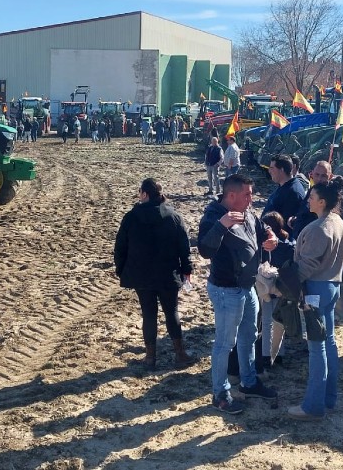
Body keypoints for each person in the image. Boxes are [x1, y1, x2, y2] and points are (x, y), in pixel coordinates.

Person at [198, 173, 279, 414]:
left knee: (249, 335)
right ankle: (220, 393)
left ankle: (249, 382)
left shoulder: (248, 212)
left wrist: (271, 237)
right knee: (225, 343)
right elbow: (204, 249)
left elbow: (261, 227)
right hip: (226, 290)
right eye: (247, 194)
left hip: (247, 286)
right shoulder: (213, 215)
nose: (251, 199)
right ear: (231, 195)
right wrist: (221, 226)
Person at [114, 178, 197, 370]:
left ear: (145, 194)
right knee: (172, 312)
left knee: (149, 314)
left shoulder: (131, 217)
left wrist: (122, 270)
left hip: (141, 275)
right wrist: (187, 270)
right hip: (168, 273)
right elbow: (184, 247)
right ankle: (180, 354)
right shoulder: (174, 216)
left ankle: (150, 358)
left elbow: (120, 247)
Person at [288, 176, 343, 421]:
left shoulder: (318, 228)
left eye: (311, 197)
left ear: (322, 202)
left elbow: (307, 265)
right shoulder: (340, 223)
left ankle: (313, 406)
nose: (308, 200)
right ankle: (329, 398)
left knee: (316, 347)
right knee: (329, 342)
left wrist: (290, 285)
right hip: (333, 285)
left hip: (315, 289)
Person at [258, 211, 295, 372]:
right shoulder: (288, 243)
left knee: (267, 322)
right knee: (281, 322)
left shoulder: (267, 245)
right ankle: (279, 354)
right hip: (285, 287)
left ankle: (267, 356)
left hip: (268, 287)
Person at [290, 161, 332, 240]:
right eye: (317, 174)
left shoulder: (330, 196)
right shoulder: (312, 190)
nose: (319, 179)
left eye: (323, 176)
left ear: (330, 176)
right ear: (311, 174)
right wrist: (295, 220)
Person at [264, 155, 307, 224]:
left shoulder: (293, 193)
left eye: (272, 168)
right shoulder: (284, 186)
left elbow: (286, 225)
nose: (269, 171)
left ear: (282, 170)